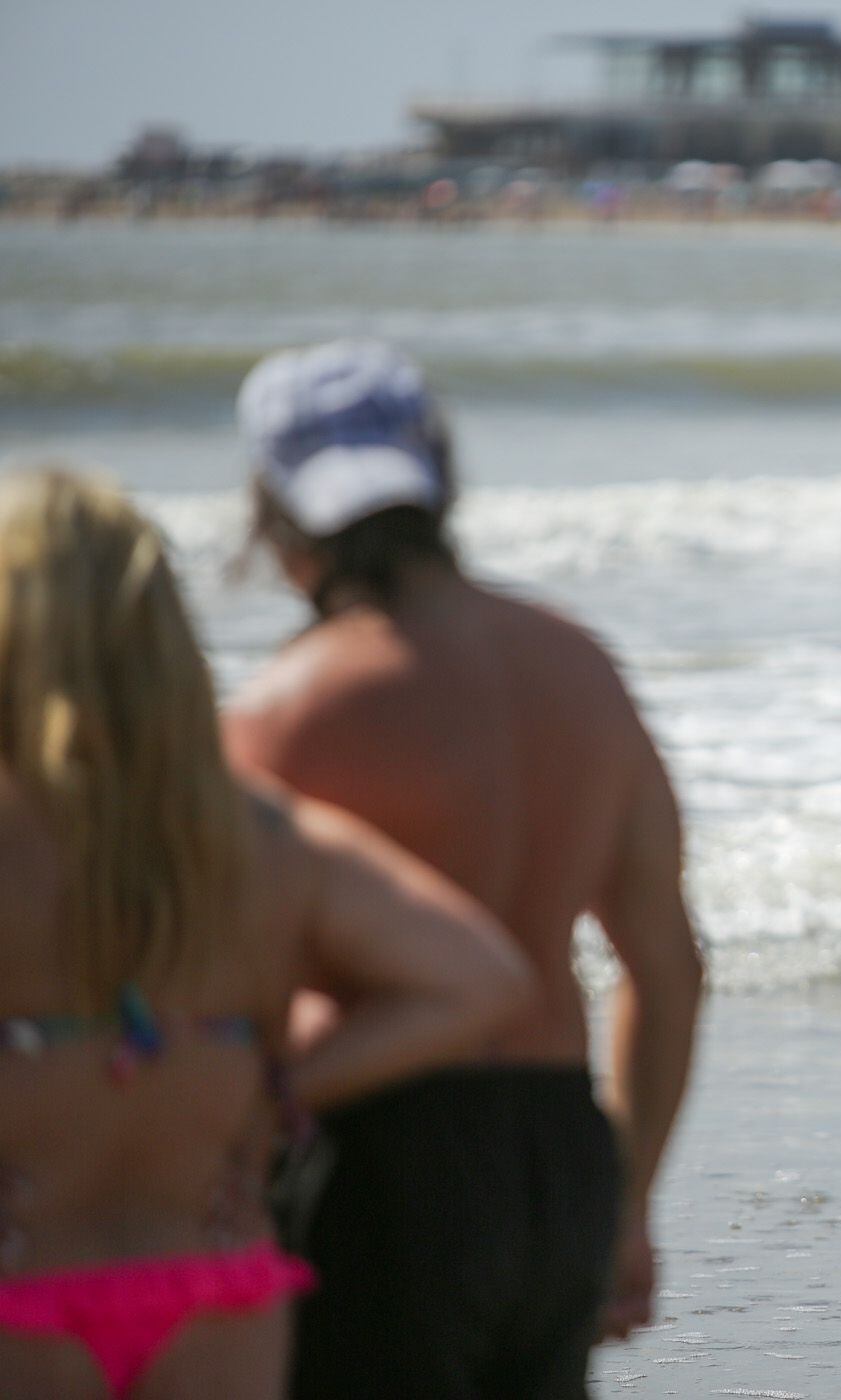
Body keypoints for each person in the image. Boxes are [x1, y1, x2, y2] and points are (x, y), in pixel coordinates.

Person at [220, 342, 706, 1399]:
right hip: (560, 1152)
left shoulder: (285, 710)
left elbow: (214, 988)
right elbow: (668, 968)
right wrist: (627, 1208)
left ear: (275, 507)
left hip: (376, 1159)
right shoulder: (581, 666)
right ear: (437, 473)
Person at [0, 468, 529, 1400]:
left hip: (23, 1283)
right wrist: (278, 1090)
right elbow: (478, 978)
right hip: (218, 1283)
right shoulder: (264, 835)